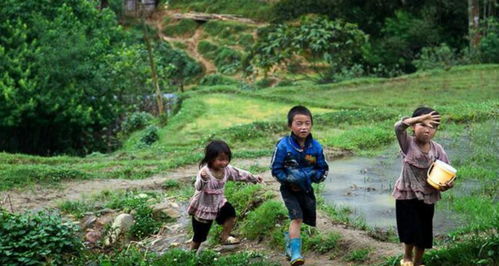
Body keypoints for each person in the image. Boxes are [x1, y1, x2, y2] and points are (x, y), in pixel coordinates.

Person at [392, 107, 454, 266]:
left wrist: (447, 184)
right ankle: (407, 257)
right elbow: (398, 127)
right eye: (422, 125)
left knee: (424, 232)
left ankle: (418, 262)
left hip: (427, 195)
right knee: (408, 230)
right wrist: (418, 118)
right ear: (413, 127)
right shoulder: (407, 143)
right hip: (407, 193)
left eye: (432, 127)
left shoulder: (437, 149)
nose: (427, 130)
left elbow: (448, 171)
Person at [271, 105, 329, 265]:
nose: (303, 127)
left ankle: (289, 244)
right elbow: (276, 169)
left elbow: (322, 168)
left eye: (307, 123)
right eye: (299, 123)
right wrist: (289, 180)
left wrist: (312, 178)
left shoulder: (316, 147)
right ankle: (296, 253)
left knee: (304, 219)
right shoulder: (283, 146)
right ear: (290, 125)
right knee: (296, 218)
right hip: (289, 190)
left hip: (307, 189)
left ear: (311, 125)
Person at [187, 140, 264, 250]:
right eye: (221, 160)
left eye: (227, 159)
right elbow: (198, 186)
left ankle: (225, 236)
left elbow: (239, 174)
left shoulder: (227, 170)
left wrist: (254, 178)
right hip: (204, 206)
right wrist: (203, 180)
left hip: (219, 202)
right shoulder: (204, 172)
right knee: (199, 236)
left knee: (230, 213)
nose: (224, 163)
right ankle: (191, 254)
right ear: (211, 158)